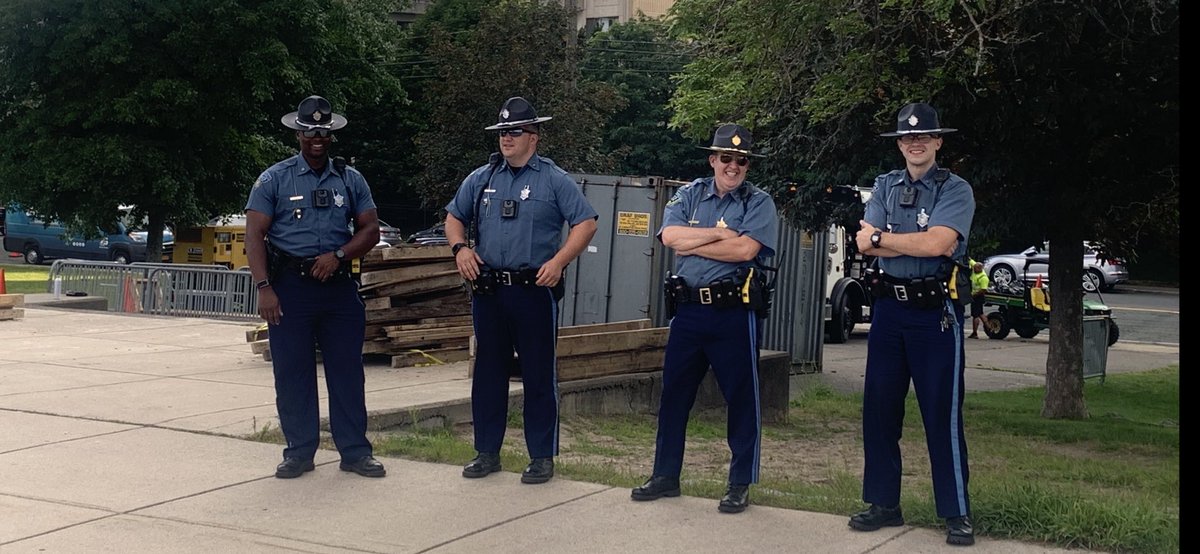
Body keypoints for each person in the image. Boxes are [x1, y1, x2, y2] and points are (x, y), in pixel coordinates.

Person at [445, 96, 598, 485]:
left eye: (514, 131)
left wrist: (559, 261)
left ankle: (541, 456)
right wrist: (461, 249)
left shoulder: (553, 179)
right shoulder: (482, 178)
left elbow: (586, 223)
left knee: (538, 374)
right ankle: (486, 452)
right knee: (488, 373)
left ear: (534, 136)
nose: (506, 138)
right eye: (502, 132)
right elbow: (453, 218)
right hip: (490, 290)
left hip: (533, 290)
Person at [630, 124, 779, 514]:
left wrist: (696, 242)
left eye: (741, 161)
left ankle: (739, 483)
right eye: (726, 158)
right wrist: (720, 235)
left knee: (742, 399)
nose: (733, 166)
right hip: (689, 311)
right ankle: (665, 475)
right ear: (712, 160)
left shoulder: (759, 202)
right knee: (674, 395)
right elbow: (669, 238)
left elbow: (745, 251)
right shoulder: (689, 194)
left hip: (733, 313)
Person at [851, 102, 976, 545]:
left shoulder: (955, 189)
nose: (915, 142)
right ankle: (884, 503)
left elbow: (939, 244)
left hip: (934, 313)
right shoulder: (885, 185)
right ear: (900, 144)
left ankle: (956, 512)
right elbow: (865, 245)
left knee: (941, 414)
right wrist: (902, 242)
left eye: (923, 136)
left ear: (937, 141)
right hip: (889, 311)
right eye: (907, 137)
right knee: (880, 410)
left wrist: (883, 238)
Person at [245, 95, 386, 479]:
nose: (317, 139)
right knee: (293, 373)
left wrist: (339, 255)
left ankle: (355, 452)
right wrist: (264, 287)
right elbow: (254, 235)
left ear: (331, 135)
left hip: (338, 288)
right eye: (309, 133)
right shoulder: (274, 179)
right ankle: (299, 451)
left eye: (323, 133)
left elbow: (371, 229)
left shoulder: (350, 179)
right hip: (290, 287)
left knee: (347, 372)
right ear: (298, 134)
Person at [968, 260, 989, 338]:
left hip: (978, 297)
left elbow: (983, 290)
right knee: (980, 313)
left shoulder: (983, 278)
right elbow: (971, 261)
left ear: (980, 268)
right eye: (974, 268)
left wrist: (973, 295)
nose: (974, 269)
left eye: (976, 268)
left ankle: (975, 333)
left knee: (975, 315)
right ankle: (989, 328)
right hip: (975, 296)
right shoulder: (975, 270)